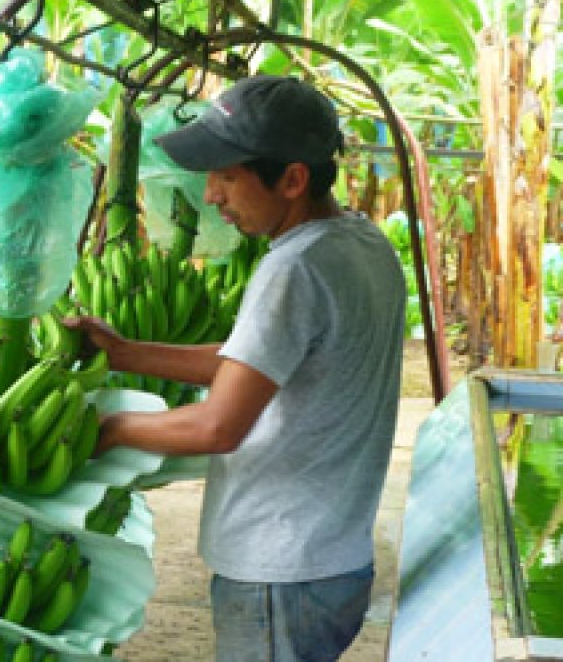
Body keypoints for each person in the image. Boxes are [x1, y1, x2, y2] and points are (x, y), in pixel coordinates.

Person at [67, 75, 405, 661]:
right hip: (331, 560)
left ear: (292, 180)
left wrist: (110, 430)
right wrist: (125, 353)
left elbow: (218, 426)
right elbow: (254, 361)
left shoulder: (294, 269)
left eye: (227, 176)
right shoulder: (362, 243)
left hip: (280, 569)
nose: (211, 196)